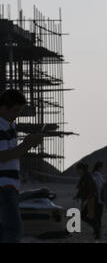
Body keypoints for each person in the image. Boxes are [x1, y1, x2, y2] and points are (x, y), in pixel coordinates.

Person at [0, 89, 43, 243]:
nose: (18, 114)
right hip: (4, 187)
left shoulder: (10, 126)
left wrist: (27, 145)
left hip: (9, 185)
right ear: (4, 108)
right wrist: (27, 145)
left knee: (7, 230)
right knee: (13, 230)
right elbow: (2, 156)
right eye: (16, 110)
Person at [74, 163, 98, 237]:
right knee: (87, 215)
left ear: (81, 169)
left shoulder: (87, 177)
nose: (77, 172)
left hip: (91, 198)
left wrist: (85, 200)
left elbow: (90, 189)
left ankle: (96, 229)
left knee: (85, 216)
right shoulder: (85, 177)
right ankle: (96, 229)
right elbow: (82, 189)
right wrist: (78, 196)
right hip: (89, 198)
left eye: (78, 170)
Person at [92, 161, 104, 239]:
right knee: (98, 215)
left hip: (98, 198)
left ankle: (96, 230)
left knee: (97, 215)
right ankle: (97, 230)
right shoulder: (97, 175)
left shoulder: (95, 175)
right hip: (98, 198)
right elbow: (99, 186)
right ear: (99, 167)